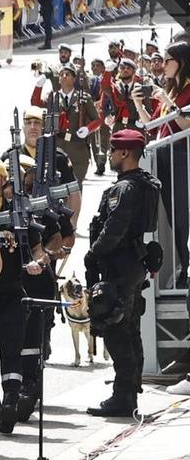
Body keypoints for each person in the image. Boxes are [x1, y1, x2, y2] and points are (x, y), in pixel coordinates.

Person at [85, 128, 161, 417]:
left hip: (119, 266)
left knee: (117, 331)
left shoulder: (126, 188)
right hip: (132, 263)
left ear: (125, 153)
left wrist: (94, 253)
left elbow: (114, 228)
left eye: (114, 150)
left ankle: (123, 396)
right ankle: (128, 393)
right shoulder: (143, 184)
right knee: (129, 330)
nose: (111, 155)